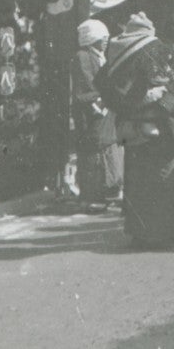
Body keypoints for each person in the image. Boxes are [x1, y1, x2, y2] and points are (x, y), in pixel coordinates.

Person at [96, 13, 174, 248]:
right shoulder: (152, 48)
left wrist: (128, 104)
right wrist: (157, 104)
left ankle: (139, 232)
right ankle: (162, 233)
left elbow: (102, 85)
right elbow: (172, 86)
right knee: (162, 177)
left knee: (136, 177)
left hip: (130, 124)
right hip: (157, 124)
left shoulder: (115, 51)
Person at [70, 18, 123, 211]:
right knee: (94, 155)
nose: (106, 40)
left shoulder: (98, 55)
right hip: (92, 114)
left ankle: (104, 194)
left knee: (105, 150)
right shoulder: (83, 56)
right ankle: (92, 197)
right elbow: (87, 85)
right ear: (92, 38)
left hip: (104, 112)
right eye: (103, 37)